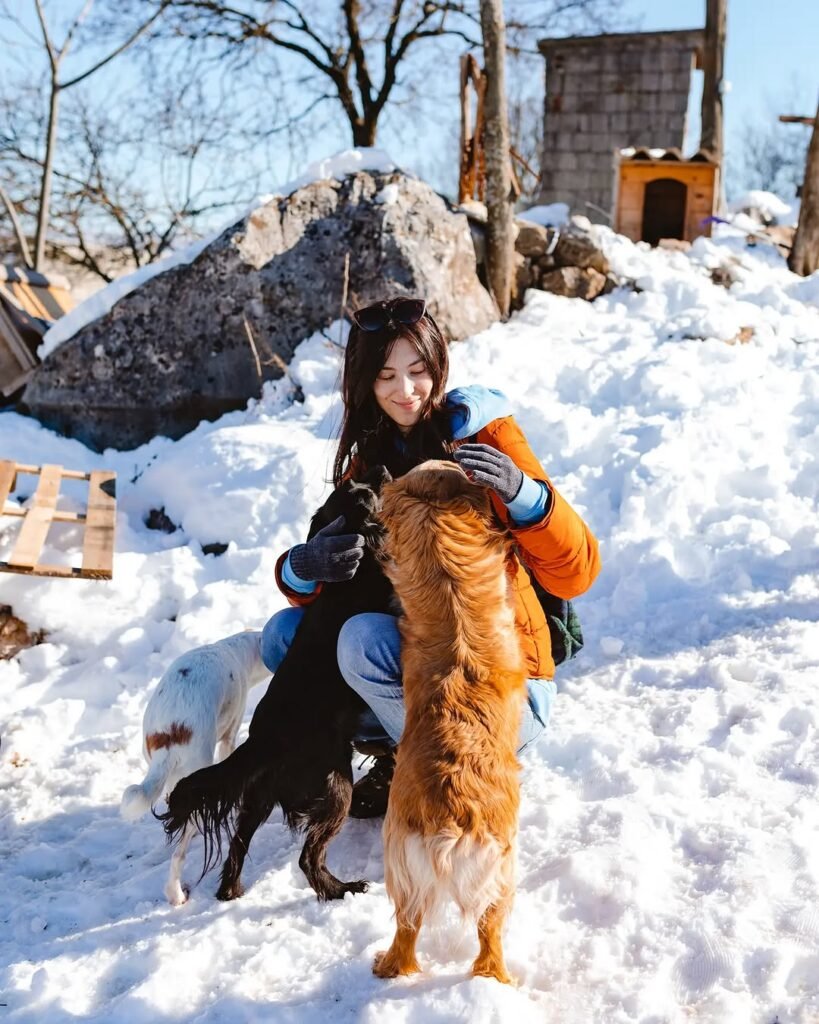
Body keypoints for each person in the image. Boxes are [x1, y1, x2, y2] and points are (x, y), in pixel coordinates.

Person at [261, 296, 600, 817]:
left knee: (359, 641)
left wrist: (522, 494)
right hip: (426, 669)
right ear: (364, 383)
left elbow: (578, 572)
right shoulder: (370, 461)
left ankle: (448, 772)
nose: (405, 391)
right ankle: (399, 754)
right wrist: (302, 567)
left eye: (418, 371)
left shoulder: (483, 436)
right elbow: (315, 604)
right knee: (282, 638)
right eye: (386, 375)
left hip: (501, 686)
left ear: (439, 365)